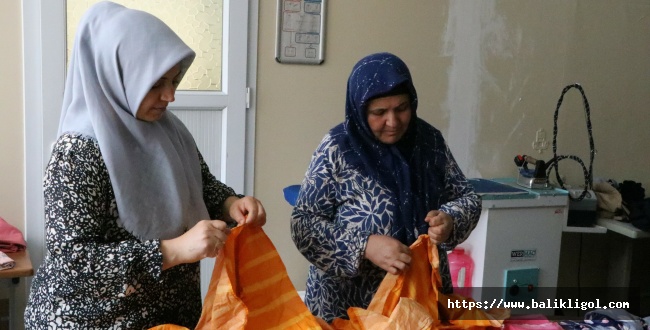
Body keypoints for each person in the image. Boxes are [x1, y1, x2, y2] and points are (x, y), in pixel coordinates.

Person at [24, 2, 266, 329]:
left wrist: (231, 203)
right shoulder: (78, 150)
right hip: (93, 320)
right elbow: (74, 263)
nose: (170, 96)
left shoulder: (170, 130)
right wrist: (175, 250)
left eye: (174, 80)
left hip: (164, 314)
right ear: (116, 75)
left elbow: (201, 184)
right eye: (155, 83)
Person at [290, 52, 481, 322]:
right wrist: (364, 246)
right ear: (360, 110)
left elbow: (467, 197)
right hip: (347, 303)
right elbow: (303, 224)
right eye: (379, 112)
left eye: (402, 108)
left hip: (417, 300)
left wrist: (451, 218)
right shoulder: (337, 149)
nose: (393, 122)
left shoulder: (429, 142)